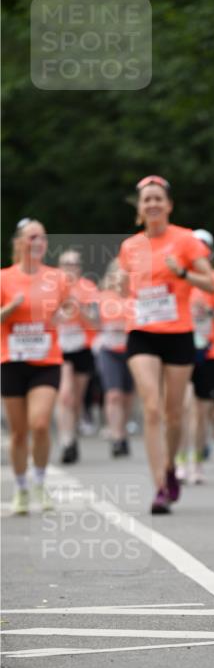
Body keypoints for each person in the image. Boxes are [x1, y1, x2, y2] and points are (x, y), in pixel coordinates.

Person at [118, 175, 214, 514]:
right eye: (147, 200)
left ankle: (171, 465)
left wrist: (183, 274)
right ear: (140, 208)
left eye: (159, 198)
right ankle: (160, 484)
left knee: (174, 414)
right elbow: (120, 285)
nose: (153, 204)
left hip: (178, 334)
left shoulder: (186, 240)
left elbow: (211, 283)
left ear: (169, 205)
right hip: (142, 331)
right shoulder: (130, 246)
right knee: (153, 407)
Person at [1, 219, 71, 513]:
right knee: (18, 433)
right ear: (19, 243)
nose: (38, 242)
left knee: (40, 425)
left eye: (42, 237)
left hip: (46, 361)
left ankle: (40, 484)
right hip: (12, 361)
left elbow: (69, 305)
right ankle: (20, 488)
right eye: (32, 238)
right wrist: (11, 308)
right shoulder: (4, 278)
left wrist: (62, 314)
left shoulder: (56, 277)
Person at [175, 229, 214, 484]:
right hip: (182, 347)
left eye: (204, 249)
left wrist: (211, 312)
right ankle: (181, 460)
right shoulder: (177, 277)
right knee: (183, 407)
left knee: (201, 412)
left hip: (210, 351)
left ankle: (197, 462)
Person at [55, 249, 99, 463]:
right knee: (65, 395)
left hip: (82, 346)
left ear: (79, 268)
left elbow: (95, 322)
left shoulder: (88, 288)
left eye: (73, 264)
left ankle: (73, 433)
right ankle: (66, 441)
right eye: (66, 264)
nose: (69, 268)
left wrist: (78, 307)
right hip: (59, 347)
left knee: (76, 399)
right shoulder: (51, 288)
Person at [95, 259, 134, 457]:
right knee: (113, 394)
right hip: (109, 350)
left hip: (131, 350)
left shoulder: (134, 296)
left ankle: (123, 429)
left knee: (127, 396)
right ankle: (116, 435)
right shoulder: (103, 296)